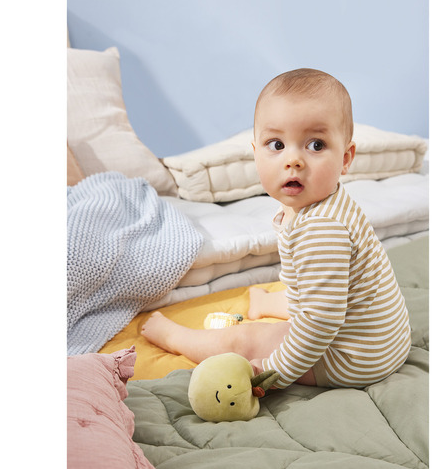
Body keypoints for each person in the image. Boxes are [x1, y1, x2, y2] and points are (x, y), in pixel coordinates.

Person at [141, 68, 412, 388]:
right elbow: (320, 291)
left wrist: (273, 373)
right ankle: (266, 304)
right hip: (383, 340)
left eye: (316, 145)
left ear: (345, 158)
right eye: (277, 144)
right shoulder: (323, 204)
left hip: (354, 358)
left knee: (245, 340)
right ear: (255, 153)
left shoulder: (322, 230)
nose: (293, 160)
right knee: (311, 294)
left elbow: (319, 325)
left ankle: (175, 338)